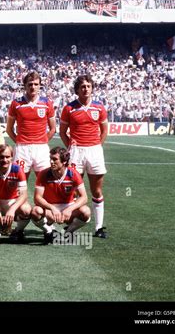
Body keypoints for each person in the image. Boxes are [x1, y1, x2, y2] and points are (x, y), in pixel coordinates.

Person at [59, 74, 108, 239]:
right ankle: (71, 225)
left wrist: (96, 145)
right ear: (77, 90)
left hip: (94, 151)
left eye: (88, 86)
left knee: (96, 190)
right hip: (76, 152)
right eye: (82, 87)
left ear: (92, 88)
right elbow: (62, 132)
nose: (85, 89)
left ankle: (99, 227)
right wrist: (71, 148)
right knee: (72, 190)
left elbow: (104, 130)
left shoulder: (99, 107)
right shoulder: (69, 108)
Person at [31, 147, 91, 245]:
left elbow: (84, 197)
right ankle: (48, 231)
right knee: (35, 211)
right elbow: (37, 198)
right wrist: (52, 208)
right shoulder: (44, 174)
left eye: (55, 159)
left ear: (64, 161)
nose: (51, 162)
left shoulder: (74, 174)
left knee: (86, 212)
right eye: (50, 158)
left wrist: (70, 209)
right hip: (50, 208)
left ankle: (69, 232)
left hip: (68, 207)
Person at [6, 71, 56, 179]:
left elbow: (53, 129)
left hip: (41, 149)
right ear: (25, 86)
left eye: (36, 84)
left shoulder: (47, 103)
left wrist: (43, 141)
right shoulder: (16, 103)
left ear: (39, 86)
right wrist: (19, 141)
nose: (33, 87)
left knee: (46, 182)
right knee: (19, 182)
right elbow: (9, 129)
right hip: (22, 149)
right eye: (30, 84)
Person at [0, 144, 32, 245]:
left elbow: (24, 195)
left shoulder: (17, 169)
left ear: (12, 157)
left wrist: (12, 210)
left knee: (26, 210)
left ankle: (17, 231)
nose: (4, 160)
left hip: (12, 201)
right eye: (1, 157)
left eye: (7, 157)